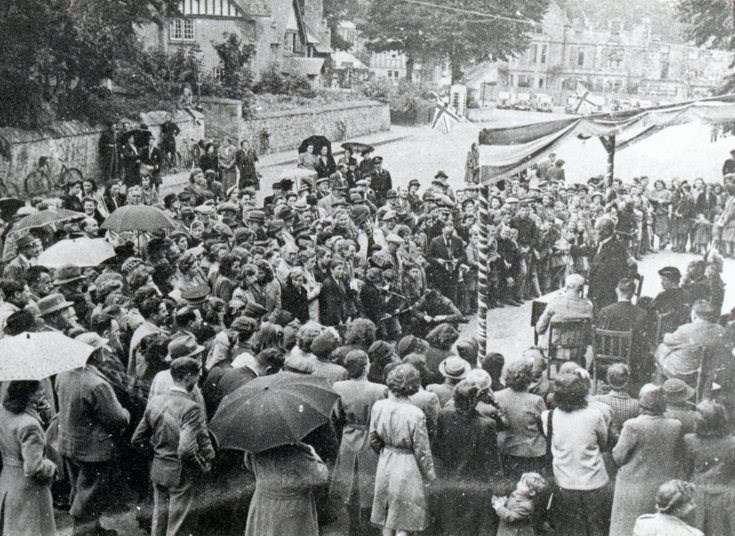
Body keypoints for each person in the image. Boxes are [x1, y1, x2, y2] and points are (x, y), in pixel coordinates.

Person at [131, 356, 215, 536]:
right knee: (178, 526)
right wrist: (200, 466)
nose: (198, 379)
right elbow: (185, 450)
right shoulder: (191, 407)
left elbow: (137, 439)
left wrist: (157, 455)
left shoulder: (155, 402)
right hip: (181, 474)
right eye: (197, 376)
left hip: (159, 470)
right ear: (188, 377)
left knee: (159, 522)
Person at [55, 348, 131, 535]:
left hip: (70, 443)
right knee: (91, 495)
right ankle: (83, 532)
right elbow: (117, 418)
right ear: (95, 354)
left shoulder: (63, 374)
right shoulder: (96, 384)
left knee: (79, 488)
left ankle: (92, 528)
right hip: (93, 450)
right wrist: (126, 413)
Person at [369, 364, 435, 535]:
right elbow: (422, 449)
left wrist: (385, 450)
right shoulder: (416, 413)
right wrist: (429, 474)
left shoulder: (378, 406)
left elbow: (373, 438)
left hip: (386, 459)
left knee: (387, 512)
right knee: (405, 517)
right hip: (408, 464)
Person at [610, 384, 683, 536]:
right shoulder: (675, 425)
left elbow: (618, 456)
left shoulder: (633, 425)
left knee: (627, 527)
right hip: (661, 485)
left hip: (632, 485)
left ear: (641, 403)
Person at [329, 350, 388, 536]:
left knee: (349, 485)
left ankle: (353, 525)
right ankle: (368, 526)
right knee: (370, 485)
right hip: (371, 440)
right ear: (365, 367)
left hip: (348, 438)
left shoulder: (338, 387)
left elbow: (336, 416)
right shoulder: (380, 389)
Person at [432, 380, 501, 536]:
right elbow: (493, 462)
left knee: (451, 525)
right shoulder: (487, 424)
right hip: (475, 483)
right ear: (475, 401)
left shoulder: (444, 415)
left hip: (450, 479)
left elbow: (436, 448)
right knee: (471, 526)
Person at [542, 373, 609, 536]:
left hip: (564, 482)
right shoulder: (594, 415)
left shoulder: (549, 416)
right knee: (595, 528)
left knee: (568, 529)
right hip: (594, 480)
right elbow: (603, 442)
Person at [0, 380, 57, 536]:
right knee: (35, 529)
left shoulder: (3, 412)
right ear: (29, 395)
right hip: (30, 489)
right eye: (39, 389)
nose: (43, 392)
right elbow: (34, 467)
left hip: (8, 480)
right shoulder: (29, 425)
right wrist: (51, 467)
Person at [244, 442, 329, 536]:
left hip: (262, 502)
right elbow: (320, 477)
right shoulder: (296, 450)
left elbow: (248, 465)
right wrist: (313, 453)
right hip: (290, 507)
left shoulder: (256, 445)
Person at [682, 400, 735, 535]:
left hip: (696, 493)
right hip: (725, 495)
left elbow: (686, 469)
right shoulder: (732, 443)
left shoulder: (689, 440)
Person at [494, 360, 548, 480]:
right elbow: (545, 426)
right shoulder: (536, 400)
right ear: (529, 378)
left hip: (506, 449)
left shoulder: (497, 396)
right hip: (531, 452)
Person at [655, 299, 726, 384]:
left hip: (681, 373)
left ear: (694, 314)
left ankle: (659, 384)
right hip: (703, 374)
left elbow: (667, 341)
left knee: (661, 348)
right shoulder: (720, 330)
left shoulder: (686, 329)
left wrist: (667, 334)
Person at [571, 216, 634, 310]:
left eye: (596, 229)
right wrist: (571, 248)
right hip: (598, 290)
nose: (593, 232)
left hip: (605, 295)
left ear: (606, 232)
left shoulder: (616, 248)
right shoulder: (605, 242)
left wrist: (588, 279)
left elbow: (607, 274)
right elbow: (592, 251)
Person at [535, 273, 593, 366]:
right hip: (576, 352)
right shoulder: (587, 306)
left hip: (553, 351)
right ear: (581, 289)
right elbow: (589, 334)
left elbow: (539, 329)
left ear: (566, 287)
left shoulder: (554, 303)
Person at [633, 480, 703, 536]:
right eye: (691, 503)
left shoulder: (643, 522)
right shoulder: (693, 534)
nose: (695, 506)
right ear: (678, 508)